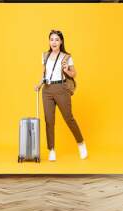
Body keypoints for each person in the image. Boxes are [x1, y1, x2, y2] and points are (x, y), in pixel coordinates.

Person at [34, 29, 87, 161]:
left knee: (68, 118)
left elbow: (74, 74)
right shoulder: (45, 55)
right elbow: (45, 74)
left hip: (61, 88)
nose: (54, 42)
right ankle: (51, 149)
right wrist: (39, 84)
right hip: (47, 90)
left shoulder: (66, 56)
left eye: (57, 39)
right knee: (49, 121)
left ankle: (81, 143)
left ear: (61, 41)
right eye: (51, 39)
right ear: (49, 41)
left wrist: (66, 70)